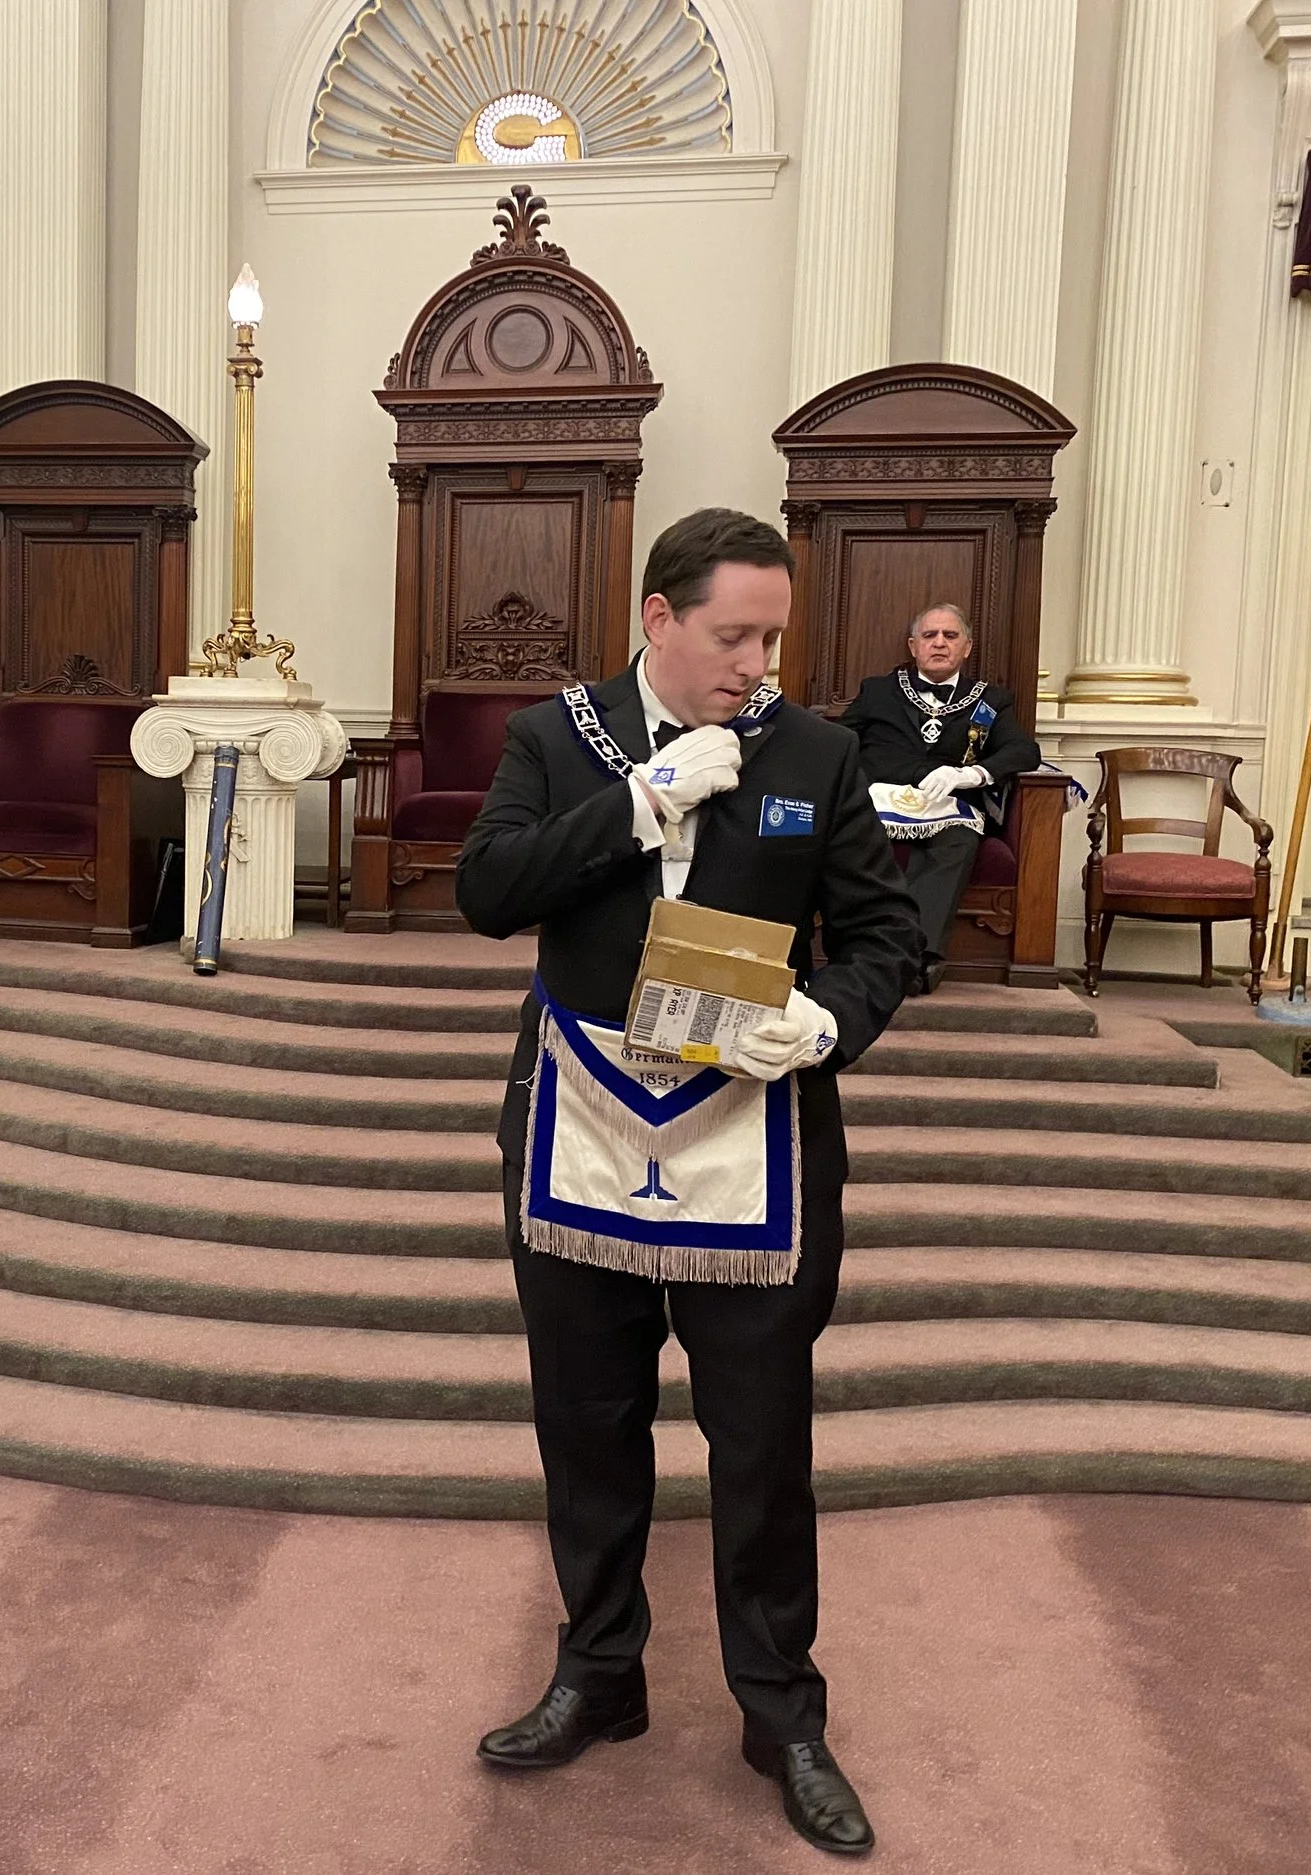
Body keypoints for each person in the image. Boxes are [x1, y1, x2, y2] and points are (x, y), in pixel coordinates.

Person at [458, 509, 919, 1858]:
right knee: (587, 1427)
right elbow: (489, 892)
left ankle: (782, 1715)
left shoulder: (817, 753)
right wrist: (639, 804)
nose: (755, 663)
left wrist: (826, 1018)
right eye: (732, 636)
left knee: (762, 1445)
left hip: (750, 1130)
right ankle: (600, 1674)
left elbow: (886, 935)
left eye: (771, 637)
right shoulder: (555, 738)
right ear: (658, 617)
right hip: (584, 1124)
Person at [841, 603, 1040, 991]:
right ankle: (866, 953)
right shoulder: (878, 691)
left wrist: (969, 775)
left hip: (952, 809)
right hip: (882, 804)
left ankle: (915, 957)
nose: (939, 643)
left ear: (967, 647)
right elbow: (842, 742)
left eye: (950, 636)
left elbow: (1023, 751)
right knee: (855, 836)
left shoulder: (991, 700)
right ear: (913, 646)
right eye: (930, 635)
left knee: (959, 842)